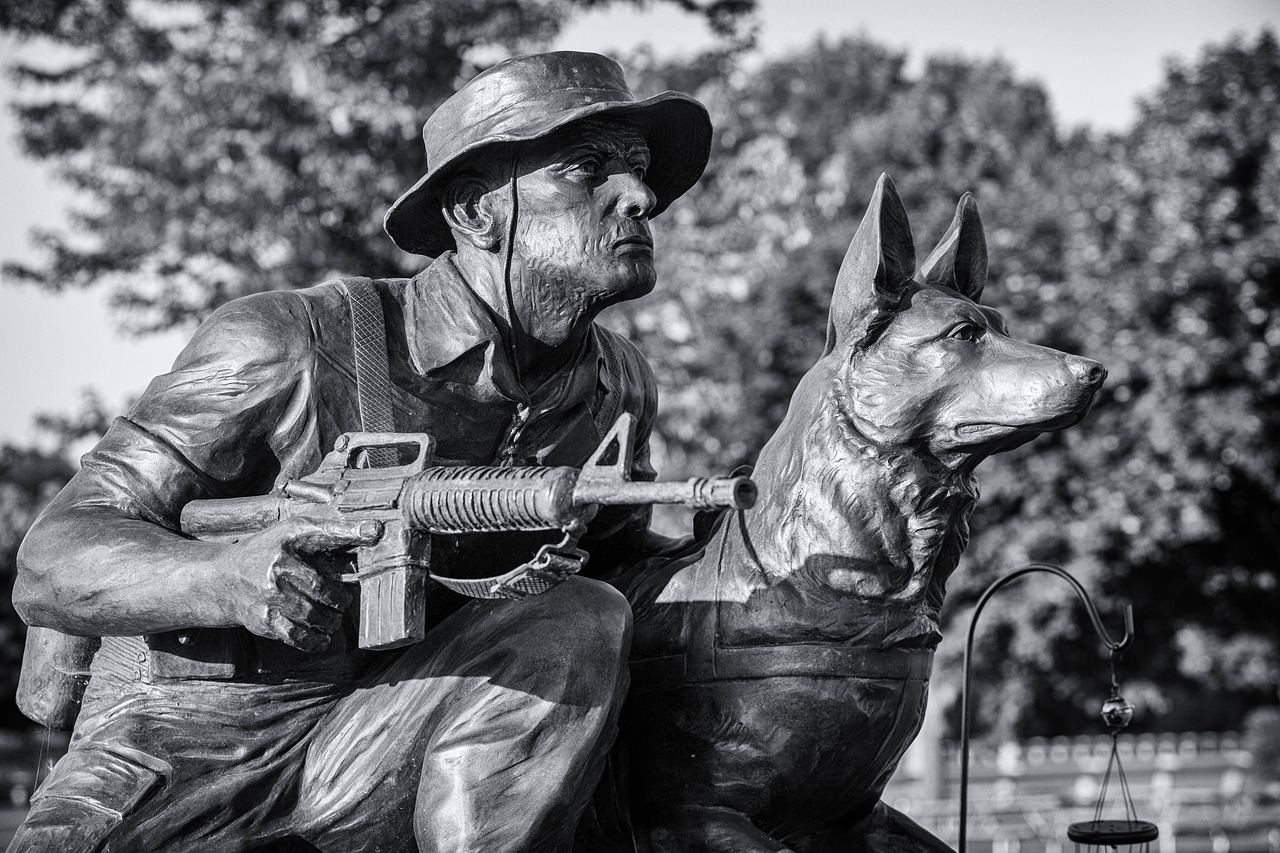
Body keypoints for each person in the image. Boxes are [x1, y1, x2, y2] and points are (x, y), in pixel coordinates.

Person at [10, 51, 711, 853]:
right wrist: (224, 577)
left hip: (398, 736)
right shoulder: (290, 341)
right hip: (188, 744)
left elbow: (619, 569)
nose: (642, 196)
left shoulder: (616, 385)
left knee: (580, 615)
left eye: (640, 170)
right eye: (588, 170)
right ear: (480, 211)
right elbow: (52, 555)